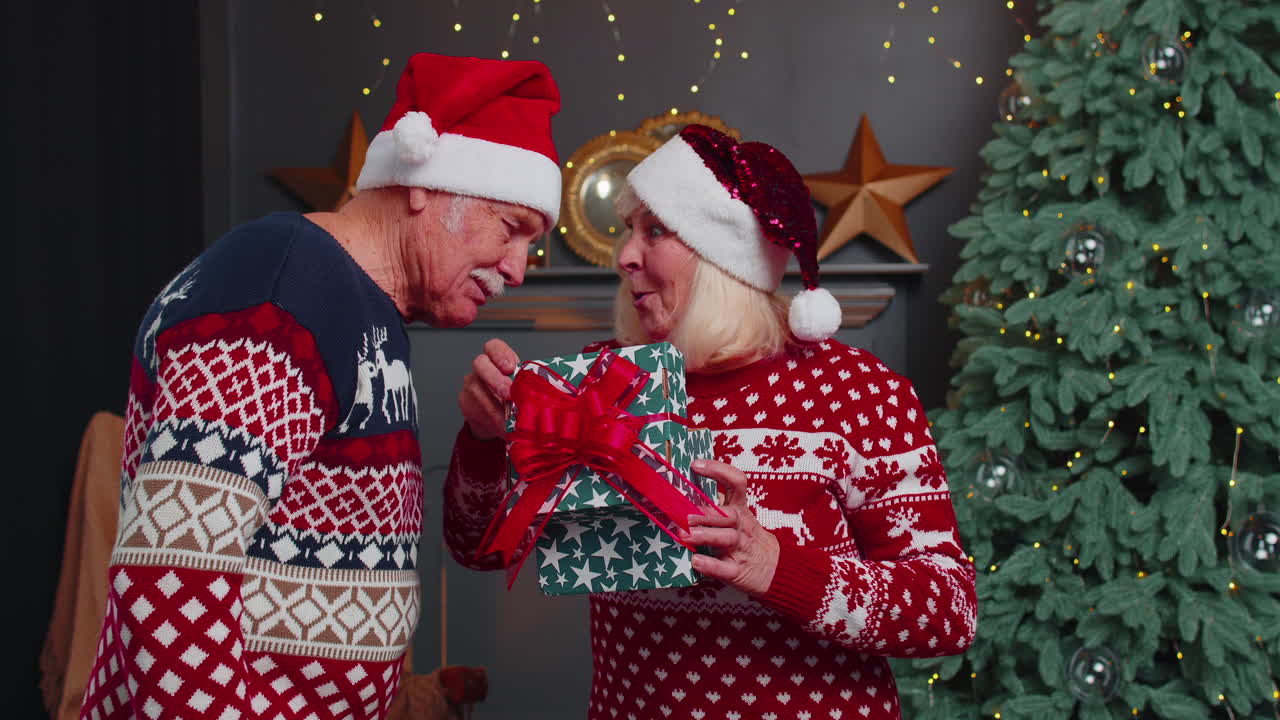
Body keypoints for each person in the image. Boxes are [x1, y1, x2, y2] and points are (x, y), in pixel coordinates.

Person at [77, 53, 561, 720]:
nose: (517, 268)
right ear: (427, 185)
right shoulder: (281, 290)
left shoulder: (359, 306)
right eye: (513, 231)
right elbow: (171, 576)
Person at [444, 124, 977, 720]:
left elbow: (948, 610)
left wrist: (775, 566)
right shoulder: (601, 382)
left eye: (656, 230)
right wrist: (486, 442)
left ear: (724, 256)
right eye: (628, 230)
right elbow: (479, 547)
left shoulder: (859, 394)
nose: (624, 255)